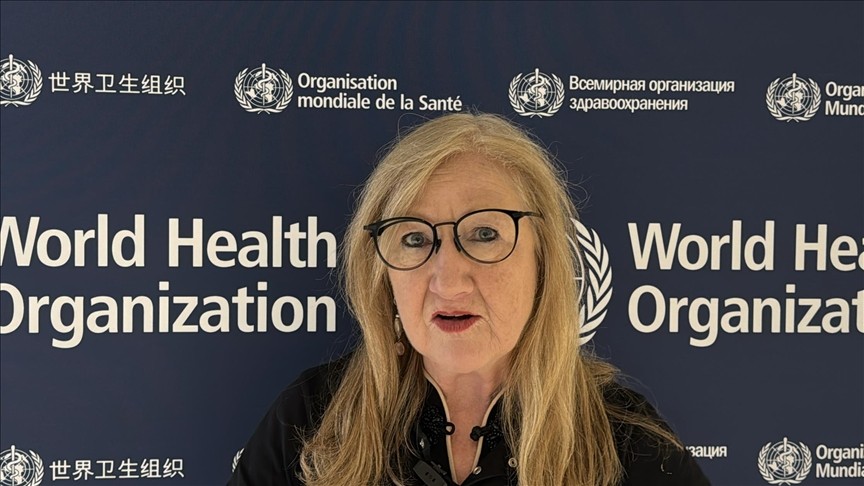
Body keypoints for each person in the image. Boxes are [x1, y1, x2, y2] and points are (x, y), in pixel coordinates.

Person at [228, 112, 710, 486]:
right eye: (414, 239)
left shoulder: (624, 437)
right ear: (382, 273)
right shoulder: (313, 417)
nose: (449, 282)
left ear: (543, 260)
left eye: (484, 234)